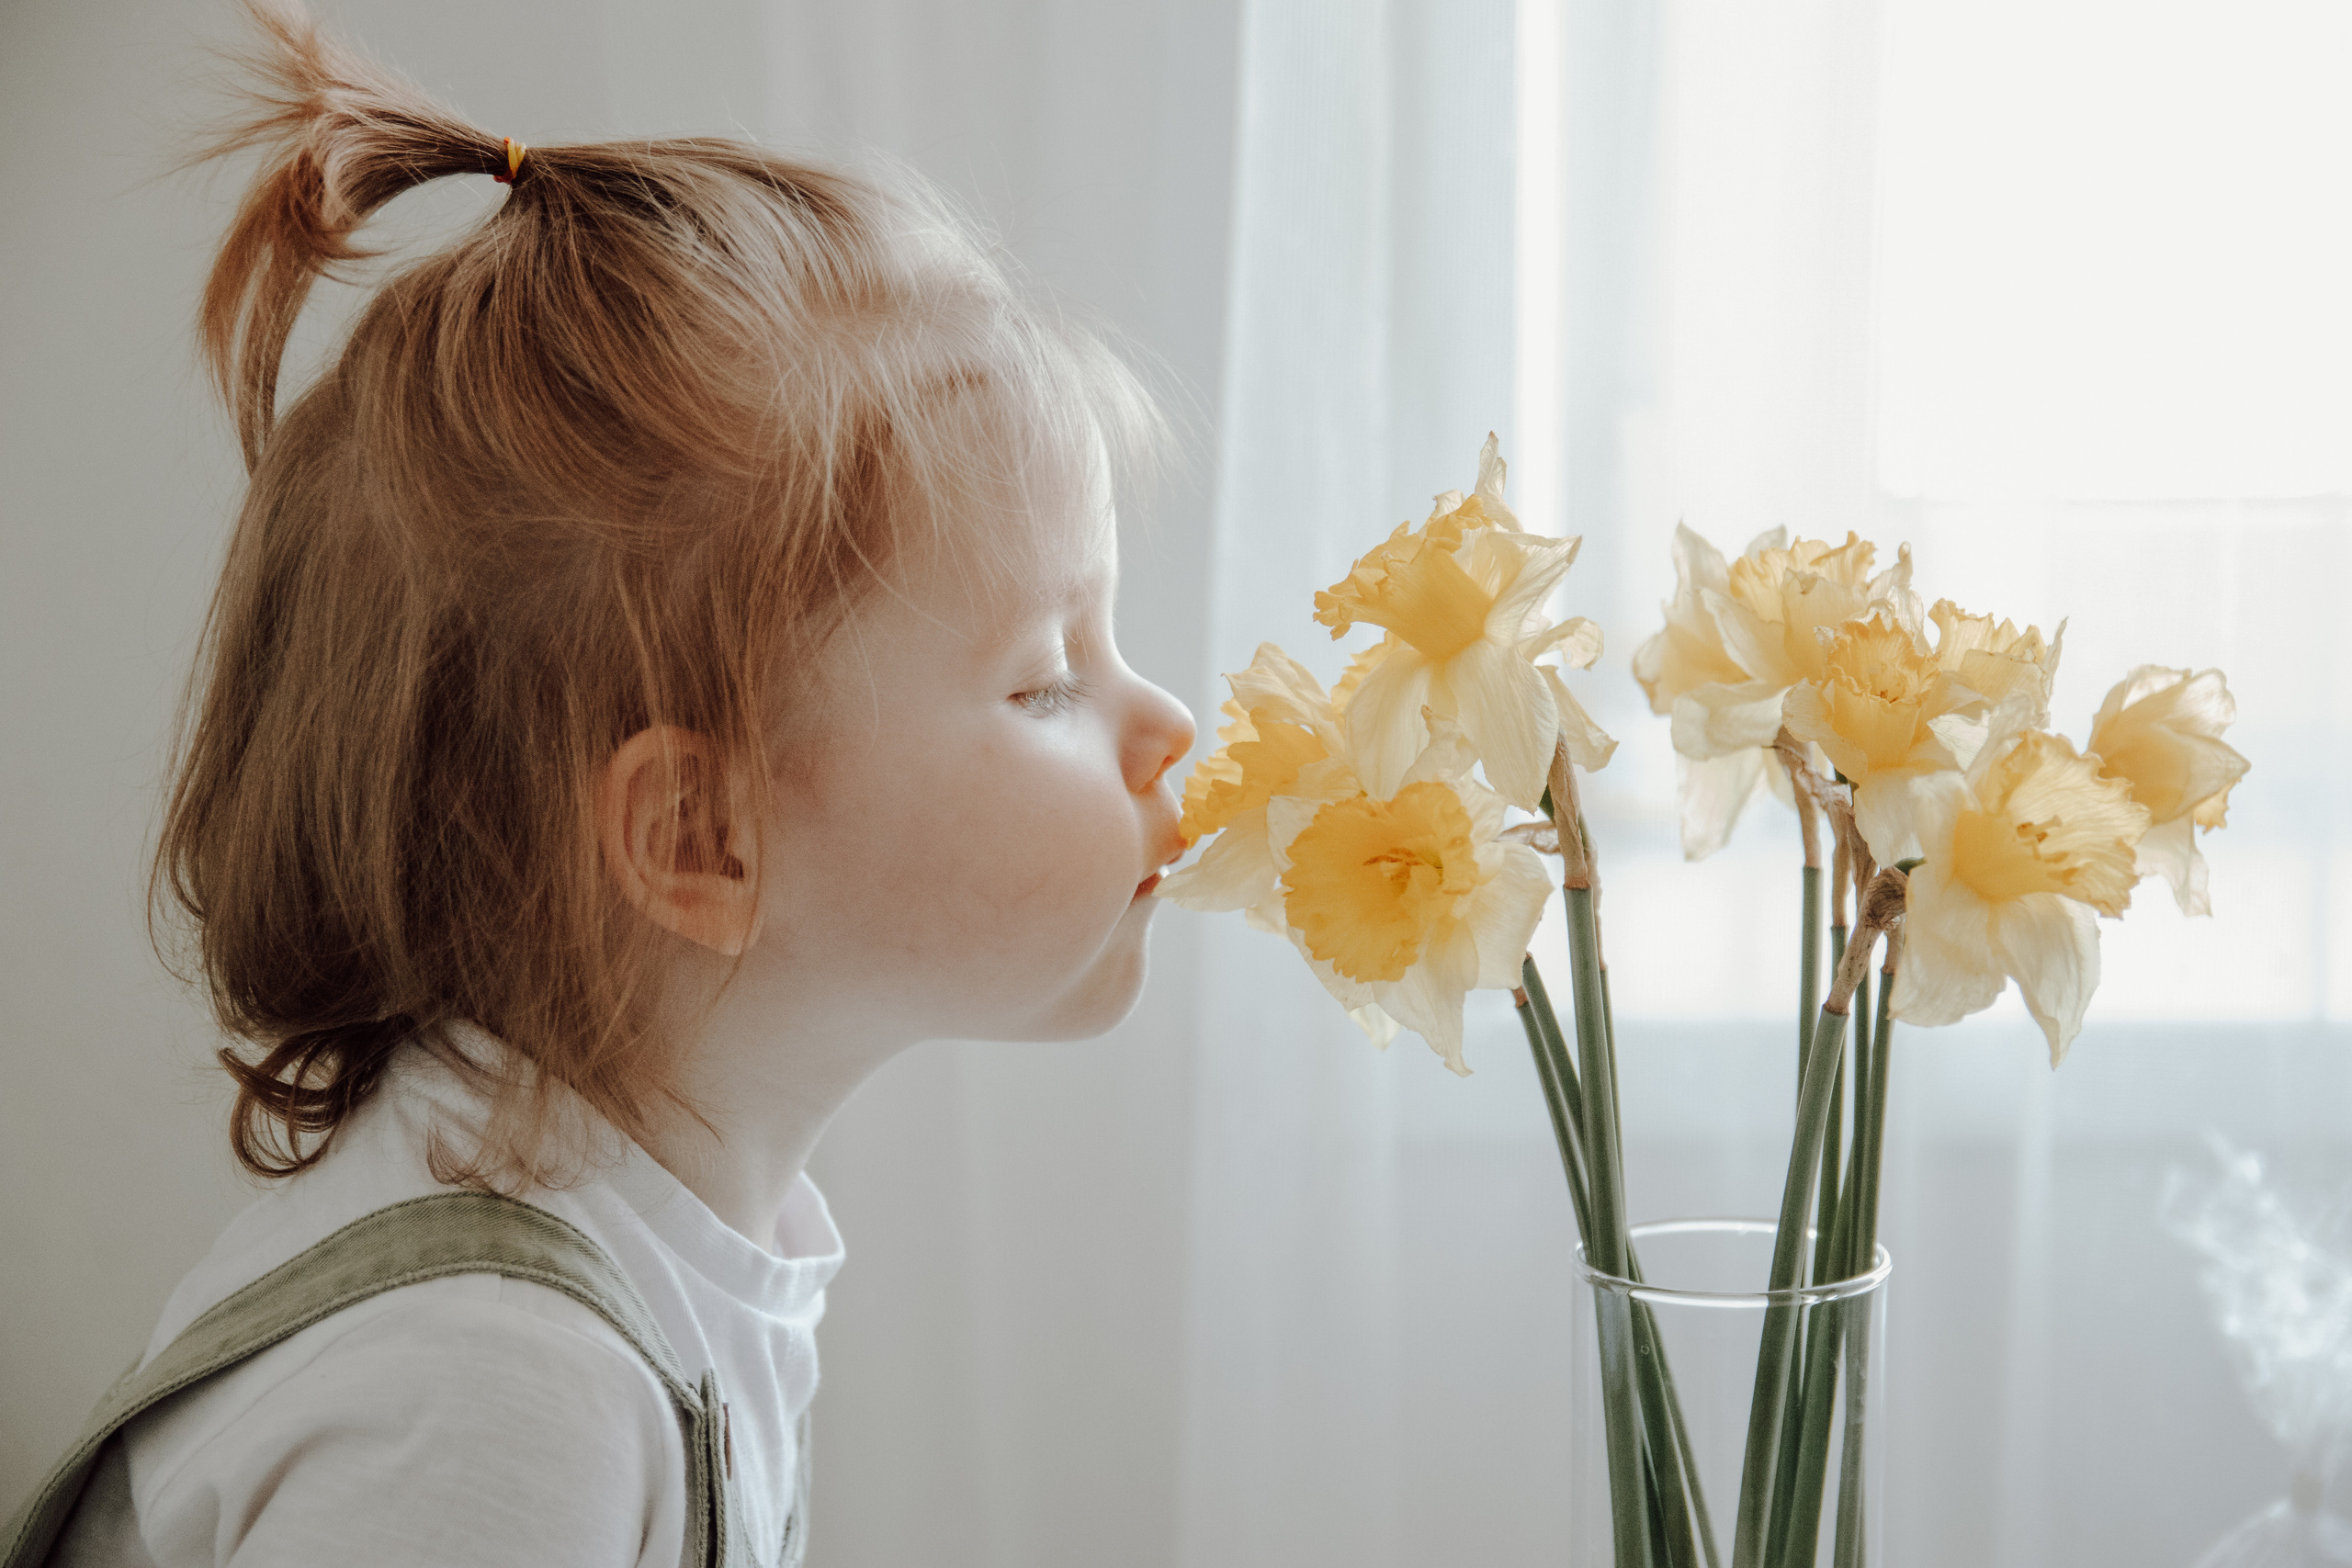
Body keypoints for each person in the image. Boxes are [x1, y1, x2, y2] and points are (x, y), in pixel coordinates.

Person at [17, 6, 1194, 1565]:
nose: (1167, 719)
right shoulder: (495, 1391)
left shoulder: (669, 1254)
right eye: (1049, 676)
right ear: (702, 837)